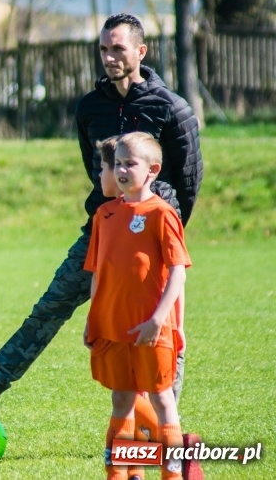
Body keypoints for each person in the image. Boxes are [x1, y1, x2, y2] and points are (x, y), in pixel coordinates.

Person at [0, 12, 203, 419]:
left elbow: (188, 184)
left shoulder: (173, 108)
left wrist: (156, 230)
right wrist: (113, 216)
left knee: (164, 329)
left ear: (141, 50)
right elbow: (96, 171)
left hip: (152, 241)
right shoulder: (90, 108)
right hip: (103, 231)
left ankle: (162, 426)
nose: (109, 56)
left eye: (118, 48)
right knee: (50, 305)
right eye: (103, 48)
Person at [93, 137, 203, 480]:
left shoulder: (162, 214)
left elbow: (177, 271)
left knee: (162, 401)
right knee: (121, 401)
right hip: (115, 327)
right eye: (118, 163)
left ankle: (172, 473)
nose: (122, 170)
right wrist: (92, 319)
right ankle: (120, 474)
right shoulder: (105, 214)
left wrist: (160, 320)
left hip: (153, 330)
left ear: (153, 170)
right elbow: (97, 271)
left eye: (131, 164)